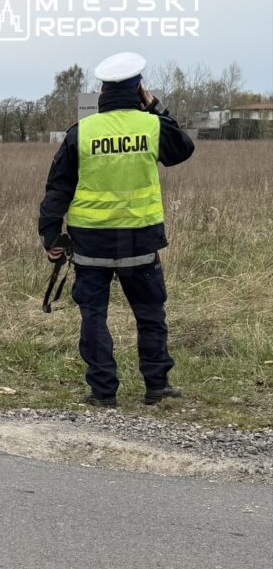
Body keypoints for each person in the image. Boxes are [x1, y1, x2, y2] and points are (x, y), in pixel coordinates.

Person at [38, 52, 195, 407]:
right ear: (139, 89)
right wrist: (155, 107)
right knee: (151, 315)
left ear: (102, 92)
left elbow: (58, 188)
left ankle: (102, 391)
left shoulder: (82, 132)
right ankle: (156, 386)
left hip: (90, 244)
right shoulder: (152, 126)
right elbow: (182, 149)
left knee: (94, 318)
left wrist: (50, 235)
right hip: (140, 242)